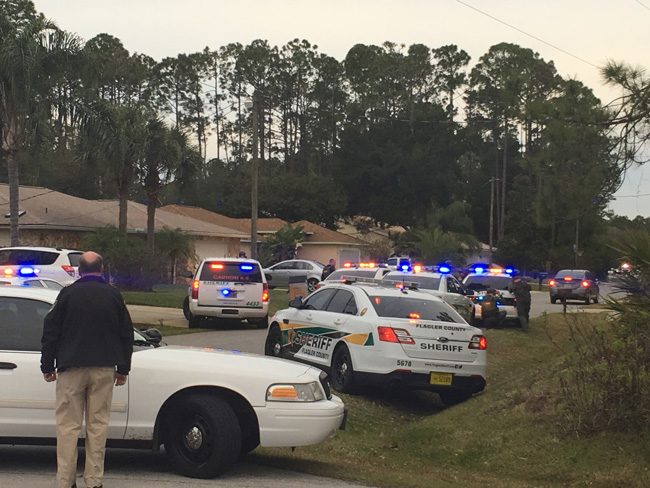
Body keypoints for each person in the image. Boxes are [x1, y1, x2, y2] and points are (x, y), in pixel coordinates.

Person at [41, 251, 133, 488]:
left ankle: (65, 481)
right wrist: (123, 368)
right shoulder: (114, 296)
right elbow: (126, 333)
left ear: (79, 270)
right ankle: (94, 480)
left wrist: (47, 365)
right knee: (98, 425)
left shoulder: (67, 294)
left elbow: (51, 331)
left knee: (68, 427)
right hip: (103, 369)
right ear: (101, 269)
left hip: (71, 369)